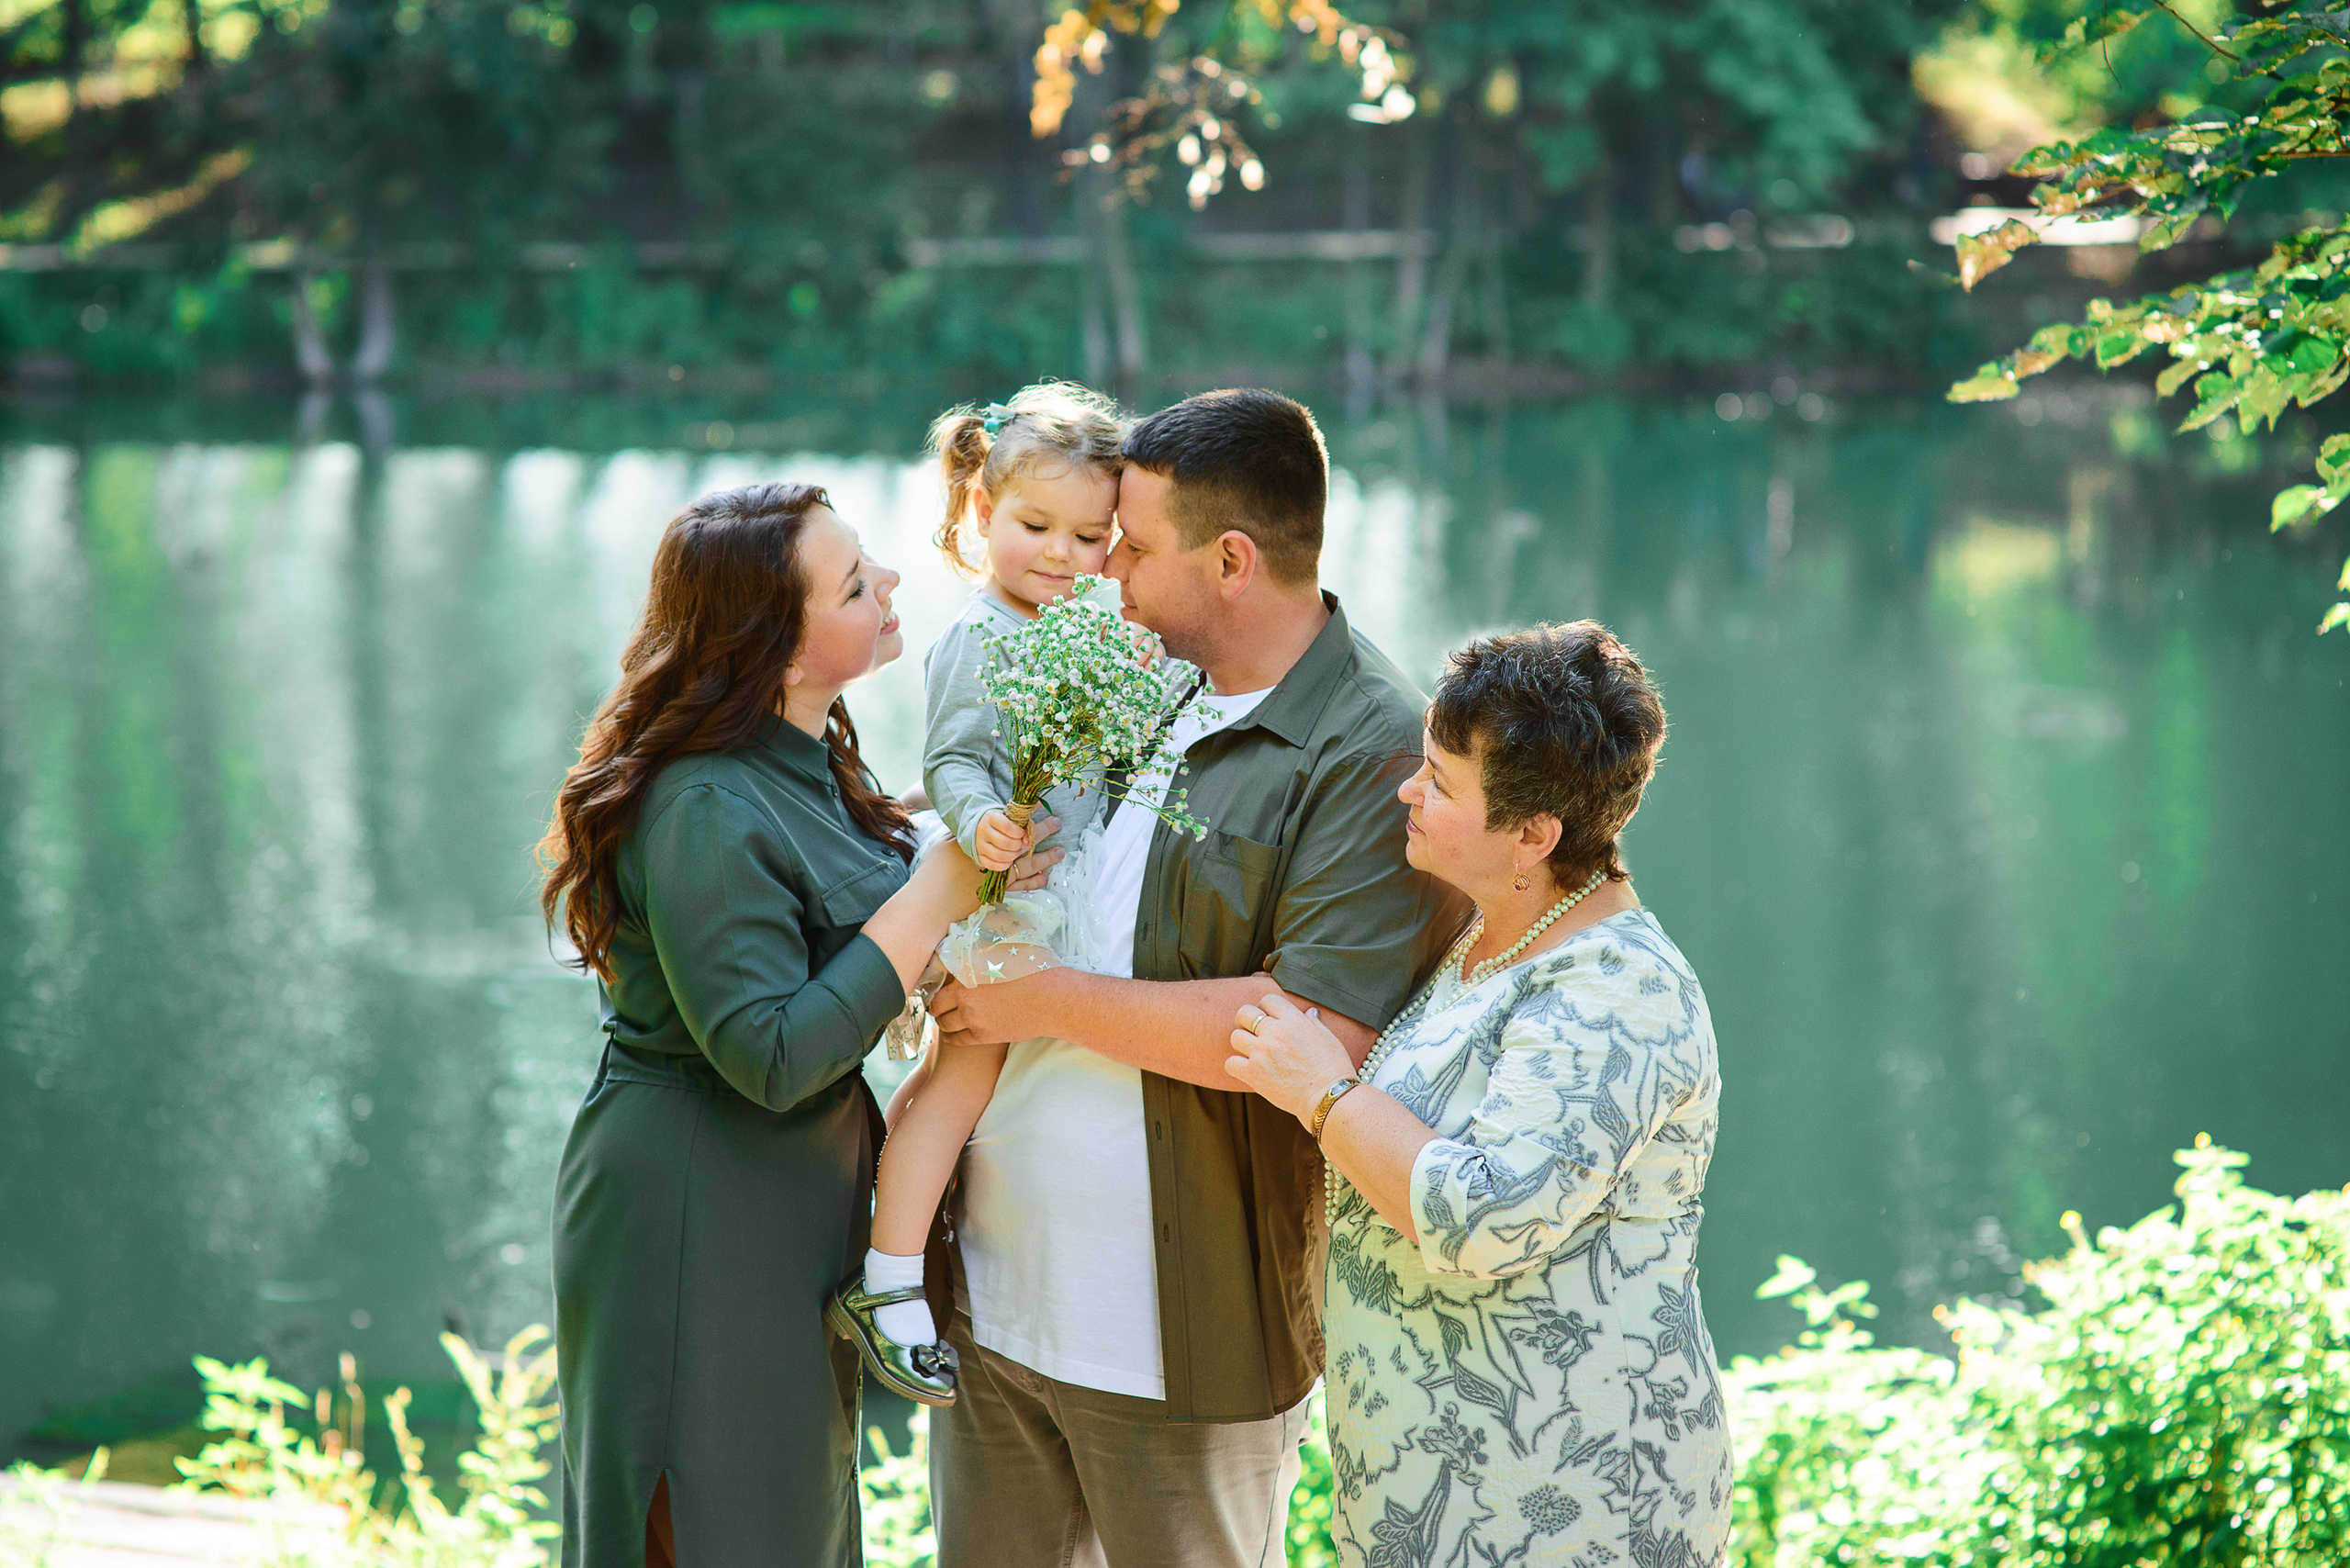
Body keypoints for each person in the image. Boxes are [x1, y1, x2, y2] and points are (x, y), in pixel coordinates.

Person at [925, 389, 1470, 1568]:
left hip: (1176, 1348)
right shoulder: (1141, 672)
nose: (1101, 565)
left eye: (1130, 543)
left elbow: (1310, 1030)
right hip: (997, 1305)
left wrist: (1036, 1002)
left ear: (1230, 559)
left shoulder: (1369, 742)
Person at [537, 482, 1053, 1568]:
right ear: (778, 645)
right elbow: (769, 1053)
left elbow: (852, 886)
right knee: (718, 1524)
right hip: (694, 1213)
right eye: (858, 583)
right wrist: (937, 892)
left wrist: (970, 837)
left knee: (796, 1523)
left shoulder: (803, 756)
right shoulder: (705, 806)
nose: (895, 584)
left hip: (779, 1215)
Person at [1224, 622, 1733, 1568]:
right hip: (1445, 1496)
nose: (1407, 790)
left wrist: (1323, 1093)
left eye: (1440, 783)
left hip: (1568, 1506)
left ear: (1532, 835)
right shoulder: (1490, 936)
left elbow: (1487, 1216)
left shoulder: (1615, 987)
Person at [828, 382, 1125, 1405]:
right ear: (979, 515)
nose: (1061, 554)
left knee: (989, 1078)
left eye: (1091, 536)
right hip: (1000, 888)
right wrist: (980, 818)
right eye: (1034, 525)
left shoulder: (1088, 628)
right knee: (965, 1070)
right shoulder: (978, 635)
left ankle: (937, 1255)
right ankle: (891, 1278)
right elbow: (951, 759)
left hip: (1057, 882)